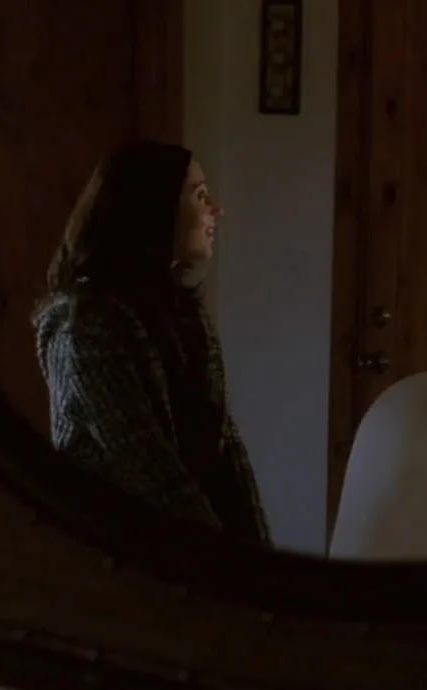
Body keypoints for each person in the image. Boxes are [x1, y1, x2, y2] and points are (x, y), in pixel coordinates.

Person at [33, 140, 272, 547]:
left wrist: (260, 553)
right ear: (154, 209)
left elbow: (225, 446)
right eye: (200, 196)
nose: (216, 210)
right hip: (116, 547)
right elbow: (147, 468)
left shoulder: (182, 312)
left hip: (192, 546)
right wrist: (228, 563)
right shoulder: (83, 324)